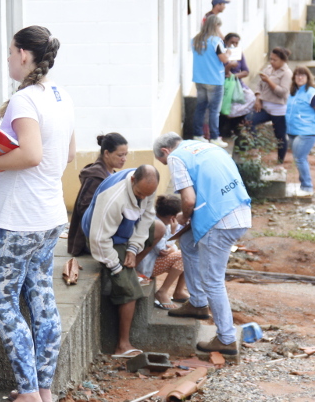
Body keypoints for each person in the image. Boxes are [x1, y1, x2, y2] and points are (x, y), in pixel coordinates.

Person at [0, 26, 75, 402]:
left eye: (11, 52)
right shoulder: (61, 96)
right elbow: (68, 155)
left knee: (1, 300)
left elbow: (30, 155)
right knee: (41, 296)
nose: (8, 58)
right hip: (50, 215)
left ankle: (27, 393)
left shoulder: (25, 100)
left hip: (20, 218)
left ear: (24, 55)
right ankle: (42, 390)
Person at [153, 132, 251, 356]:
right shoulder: (205, 147)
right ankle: (197, 303)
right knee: (187, 241)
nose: (168, 165)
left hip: (219, 221)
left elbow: (188, 200)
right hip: (239, 211)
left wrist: (183, 219)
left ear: (166, 152)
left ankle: (226, 339)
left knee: (213, 280)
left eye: (163, 163)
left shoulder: (177, 157)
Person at [81, 165, 160, 358]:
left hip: (124, 231)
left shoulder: (147, 186)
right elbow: (99, 239)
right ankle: (121, 346)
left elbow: (147, 218)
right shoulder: (113, 199)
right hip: (102, 236)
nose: (143, 198)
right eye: (139, 193)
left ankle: (130, 266)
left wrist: (133, 249)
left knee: (158, 229)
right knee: (129, 289)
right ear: (132, 180)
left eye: (147, 195)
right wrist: (116, 267)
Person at [67, 132, 129, 256]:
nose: (124, 159)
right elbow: (84, 209)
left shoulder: (112, 175)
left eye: (126, 155)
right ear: (106, 153)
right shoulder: (95, 177)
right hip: (90, 237)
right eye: (120, 155)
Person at [134, 195, 190, 309]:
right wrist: (174, 233)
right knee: (184, 256)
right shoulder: (157, 225)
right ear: (172, 217)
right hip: (146, 265)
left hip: (153, 261)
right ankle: (162, 292)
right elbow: (163, 250)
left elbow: (170, 248)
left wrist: (172, 247)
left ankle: (179, 291)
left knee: (188, 255)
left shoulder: (161, 221)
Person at [286, 66, 315, 197]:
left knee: (300, 158)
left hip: (307, 132)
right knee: (299, 158)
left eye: (302, 75)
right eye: (297, 75)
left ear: (308, 78)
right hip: (293, 130)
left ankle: (307, 186)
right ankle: (303, 184)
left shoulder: (311, 93)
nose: (299, 77)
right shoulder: (293, 92)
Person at [250, 47, 293, 165]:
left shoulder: (287, 73)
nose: (272, 62)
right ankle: (255, 148)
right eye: (271, 59)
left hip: (278, 110)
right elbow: (259, 85)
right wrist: (258, 98)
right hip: (265, 107)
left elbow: (282, 92)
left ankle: (280, 161)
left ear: (283, 61)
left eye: (275, 60)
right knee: (249, 120)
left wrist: (269, 81)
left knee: (280, 136)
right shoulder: (268, 69)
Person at [191, 14, 229, 148]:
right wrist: (228, 53)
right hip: (214, 79)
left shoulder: (195, 39)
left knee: (200, 107)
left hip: (199, 78)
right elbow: (224, 59)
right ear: (215, 26)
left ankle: (197, 134)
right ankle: (214, 137)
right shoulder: (215, 41)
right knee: (214, 110)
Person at [219, 32, 250, 139]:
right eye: (231, 42)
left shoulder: (239, 54)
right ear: (226, 42)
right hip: (225, 86)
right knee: (224, 108)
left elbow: (246, 71)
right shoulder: (221, 53)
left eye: (236, 43)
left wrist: (235, 75)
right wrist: (229, 67)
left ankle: (237, 128)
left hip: (237, 85)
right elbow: (221, 73)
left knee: (249, 100)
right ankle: (223, 131)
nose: (233, 45)